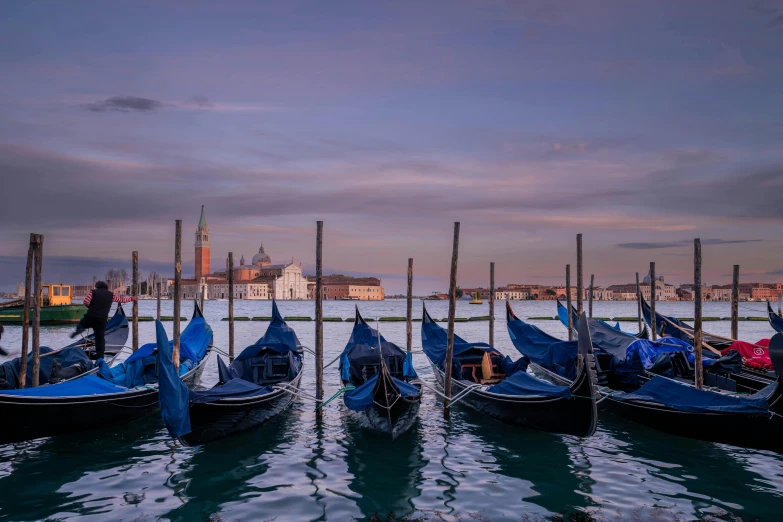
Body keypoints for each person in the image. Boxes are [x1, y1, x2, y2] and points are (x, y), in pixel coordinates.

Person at [70, 281, 135, 359]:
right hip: (101, 319)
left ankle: (80, 329)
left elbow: (86, 301)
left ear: (97, 287)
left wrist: (90, 306)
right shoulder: (111, 295)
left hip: (91, 316)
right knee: (99, 338)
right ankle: (100, 356)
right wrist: (132, 298)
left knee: (82, 324)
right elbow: (122, 300)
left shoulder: (93, 293)